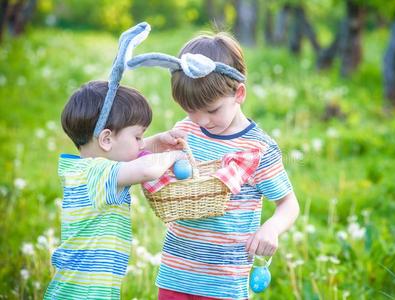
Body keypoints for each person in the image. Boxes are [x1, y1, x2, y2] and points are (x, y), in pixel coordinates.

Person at [155, 32, 300, 299]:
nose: (201, 121)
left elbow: (289, 204)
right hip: (176, 271)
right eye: (190, 110)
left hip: (224, 282)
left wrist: (271, 228)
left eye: (211, 111)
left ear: (239, 93)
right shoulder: (185, 131)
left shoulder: (258, 148)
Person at [44, 80, 185, 299]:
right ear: (106, 139)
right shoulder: (98, 173)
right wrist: (175, 156)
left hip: (87, 289)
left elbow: (122, 152)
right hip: (83, 293)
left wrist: (154, 142)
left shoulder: (85, 169)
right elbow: (146, 170)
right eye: (137, 137)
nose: (140, 144)